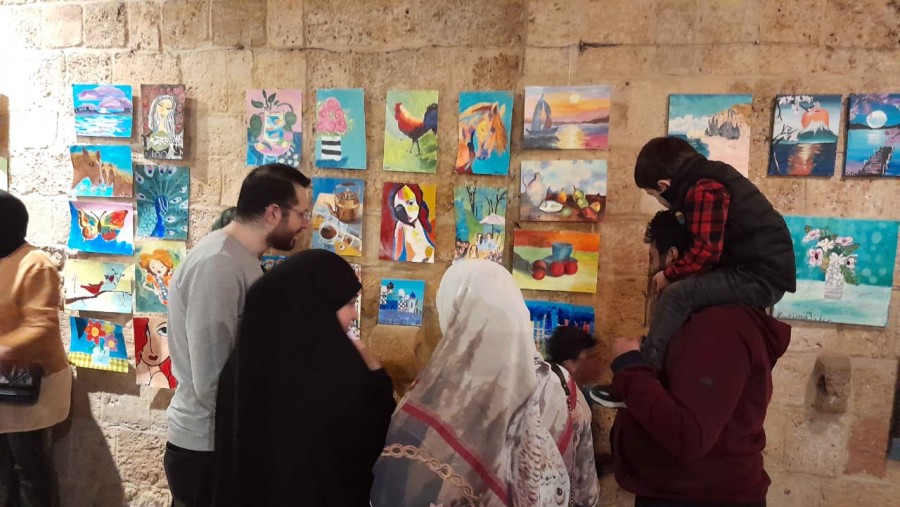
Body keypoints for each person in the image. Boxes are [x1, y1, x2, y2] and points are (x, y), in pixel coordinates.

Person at [371, 260, 599, 507]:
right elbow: (585, 487)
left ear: (451, 314)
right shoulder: (559, 384)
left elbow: (404, 484)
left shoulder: (435, 389)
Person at [592, 136, 796, 408]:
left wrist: (668, 274)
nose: (660, 201)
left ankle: (643, 372)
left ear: (663, 185)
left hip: (760, 276)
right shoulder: (708, 177)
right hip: (757, 269)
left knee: (676, 295)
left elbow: (706, 251)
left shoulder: (704, 188)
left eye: (653, 195)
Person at [609, 210, 790, 507]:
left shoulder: (719, 326)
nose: (650, 270)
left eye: (652, 258)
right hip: (683, 492)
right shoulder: (702, 321)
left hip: (698, 498)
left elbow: (689, 435)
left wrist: (629, 366)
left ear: (672, 256)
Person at [164, 164, 311, 507]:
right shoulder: (219, 263)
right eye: (301, 214)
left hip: (224, 441)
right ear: (273, 213)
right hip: (208, 447)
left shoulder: (240, 258)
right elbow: (213, 376)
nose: (306, 224)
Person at [212, 249, 395, 506]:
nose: (354, 314)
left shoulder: (244, 364)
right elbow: (378, 437)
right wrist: (375, 375)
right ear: (316, 304)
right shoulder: (339, 375)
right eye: (348, 304)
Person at [0, 190, 72, 506]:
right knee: (4, 470)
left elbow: (40, 326)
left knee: (29, 468)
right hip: (4, 380)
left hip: (31, 385)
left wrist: (4, 349)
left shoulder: (36, 263)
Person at [546, 326, 603, 406]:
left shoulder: (585, 397)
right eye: (591, 356)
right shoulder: (553, 403)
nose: (598, 361)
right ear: (570, 365)